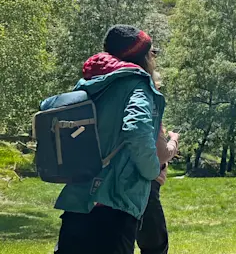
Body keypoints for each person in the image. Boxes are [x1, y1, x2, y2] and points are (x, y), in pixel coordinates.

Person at [54, 25, 164, 254]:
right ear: (143, 56)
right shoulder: (137, 85)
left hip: (78, 200)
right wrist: (153, 170)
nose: (154, 59)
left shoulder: (90, 83)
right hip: (115, 202)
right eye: (152, 53)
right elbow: (136, 129)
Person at [136, 70, 180, 254]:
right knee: (156, 246)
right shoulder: (148, 107)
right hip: (146, 184)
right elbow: (162, 153)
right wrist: (174, 139)